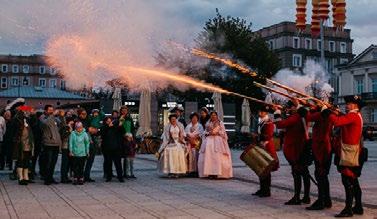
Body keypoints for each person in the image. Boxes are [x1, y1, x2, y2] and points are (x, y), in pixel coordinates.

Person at [325, 95, 365, 217]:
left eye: (349, 104)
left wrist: (327, 112)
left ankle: (348, 209)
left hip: (349, 152)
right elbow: (343, 118)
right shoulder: (355, 114)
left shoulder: (353, 115)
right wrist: (335, 112)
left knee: (347, 180)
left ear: (355, 105)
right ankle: (358, 206)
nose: (346, 105)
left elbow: (337, 122)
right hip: (352, 151)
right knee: (353, 180)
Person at [274, 100, 311, 205]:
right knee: (304, 173)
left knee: (297, 173)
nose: (288, 109)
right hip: (301, 148)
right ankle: (306, 196)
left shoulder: (296, 117)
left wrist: (277, 112)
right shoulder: (301, 116)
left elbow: (280, 125)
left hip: (296, 149)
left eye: (290, 107)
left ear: (295, 107)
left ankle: (297, 197)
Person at [306, 106, 334, 210]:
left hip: (322, 151)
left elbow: (309, 117)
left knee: (320, 176)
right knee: (323, 177)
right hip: (324, 149)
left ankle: (321, 201)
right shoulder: (325, 115)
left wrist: (313, 109)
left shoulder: (323, 116)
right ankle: (326, 200)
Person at [252, 106, 279, 197]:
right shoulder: (262, 122)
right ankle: (262, 188)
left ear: (266, 113)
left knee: (266, 169)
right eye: (260, 111)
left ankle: (266, 190)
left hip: (267, 147)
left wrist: (256, 136)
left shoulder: (268, 122)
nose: (260, 113)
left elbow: (268, 136)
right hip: (261, 146)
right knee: (261, 168)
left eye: (262, 112)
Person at [198, 111, 233, 179]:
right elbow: (205, 132)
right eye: (212, 115)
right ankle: (210, 172)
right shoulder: (208, 123)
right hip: (209, 141)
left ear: (217, 116)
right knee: (209, 157)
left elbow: (223, 132)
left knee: (217, 157)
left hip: (218, 141)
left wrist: (217, 133)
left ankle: (217, 172)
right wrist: (208, 133)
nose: (213, 116)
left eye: (214, 115)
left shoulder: (220, 123)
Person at [40, 105, 62, 185]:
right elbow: (45, 124)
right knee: (48, 162)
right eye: (49, 110)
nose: (51, 111)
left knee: (53, 162)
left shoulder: (54, 118)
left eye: (52, 110)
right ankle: (46, 178)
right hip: (48, 143)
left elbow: (61, 124)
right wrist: (53, 115)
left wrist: (61, 116)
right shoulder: (43, 117)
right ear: (45, 110)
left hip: (56, 143)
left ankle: (51, 177)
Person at [12, 110, 34, 185]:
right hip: (20, 144)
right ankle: (20, 178)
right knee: (20, 161)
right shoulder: (16, 120)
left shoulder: (27, 120)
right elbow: (14, 132)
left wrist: (32, 115)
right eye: (24, 112)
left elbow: (34, 124)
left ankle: (26, 177)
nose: (25, 113)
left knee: (26, 161)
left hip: (28, 143)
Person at [100, 117, 124, 182]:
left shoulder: (115, 127)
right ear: (105, 122)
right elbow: (102, 134)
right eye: (108, 121)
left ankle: (120, 177)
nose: (109, 122)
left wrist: (120, 125)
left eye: (110, 121)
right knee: (108, 163)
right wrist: (108, 127)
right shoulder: (104, 127)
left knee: (118, 163)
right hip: (107, 149)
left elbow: (122, 131)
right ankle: (109, 177)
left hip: (116, 148)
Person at [119, 105, 135, 178]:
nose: (124, 111)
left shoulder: (129, 118)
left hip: (130, 138)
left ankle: (129, 173)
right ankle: (124, 173)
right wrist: (124, 136)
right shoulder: (120, 118)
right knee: (124, 156)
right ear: (121, 111)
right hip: (123, 139)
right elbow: (119, 128)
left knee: (129, 156)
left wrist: (132, 137)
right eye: (123, 110)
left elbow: (132, 128)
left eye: (125, 110)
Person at [60, 116, 74, 183]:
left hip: (70, 147)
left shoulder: (71, 127)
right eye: (72, 121)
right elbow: (63, 136)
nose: (73, 122)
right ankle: (63, 178)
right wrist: (69, 131)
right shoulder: (65, 127)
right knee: (65, 163)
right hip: (65, 147)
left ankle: (66, 177)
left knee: (68, 163)